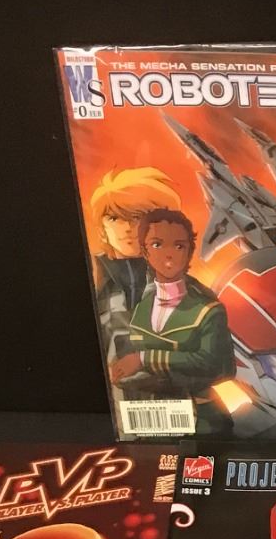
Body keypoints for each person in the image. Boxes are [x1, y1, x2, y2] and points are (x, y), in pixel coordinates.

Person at [110, 209, 236, 432]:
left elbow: (211, 363)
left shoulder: (208, 309)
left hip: (203, 421)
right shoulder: (141, 308)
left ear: (189, 251)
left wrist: (144, 359)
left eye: (179, 246)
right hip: (152, 421)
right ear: (145, 251)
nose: (169, 254)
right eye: (157, 244)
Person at [88, 167, 183, 355]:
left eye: (137, 217)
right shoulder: (93, 274)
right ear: (102, 227)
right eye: (114, 218)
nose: (127, 228)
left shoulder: (177, 281)